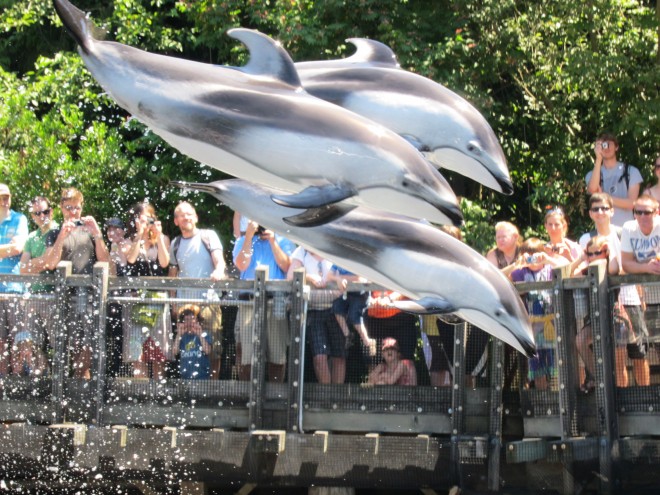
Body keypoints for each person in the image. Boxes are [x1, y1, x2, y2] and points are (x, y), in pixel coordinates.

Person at [576, 192, 648, 388]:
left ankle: (645, 396)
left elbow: (629, 266)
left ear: (612, 211)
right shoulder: (586, 239)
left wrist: (641, 297)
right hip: (601, 302)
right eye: (595, 209)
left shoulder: (623, 233)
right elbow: (582, 270)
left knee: (638, 353)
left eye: (604, 208)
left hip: (629, 298)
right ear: (590, 213)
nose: (600, 212)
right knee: (616, 355)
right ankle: (617, 399)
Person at [42, 187, 110, 379]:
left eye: (77, 208)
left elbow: (106, 263)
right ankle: (72, 391)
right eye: (69, 208)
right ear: (62, 208)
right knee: (69, 349)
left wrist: (97, 233)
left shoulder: (90, 232)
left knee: (89, 346)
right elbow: (50, 263)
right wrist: (62, 236)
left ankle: (83, 389)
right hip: (65, 298)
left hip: (90, 297)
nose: (73, 212)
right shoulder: (54, 233)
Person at [168, 201, 224, 379]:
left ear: (196, 217)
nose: (186, 217)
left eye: (189, 213)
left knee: (213, 347)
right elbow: (172, 274)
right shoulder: (175, 243)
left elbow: (219, 260)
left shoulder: (208, 236)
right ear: (176, 221)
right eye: (182, 215)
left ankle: (213, 389)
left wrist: (219, 270)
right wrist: (173, 303)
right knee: (187, 347)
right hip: (185, 306)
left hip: (208, 302)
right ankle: (189, 388)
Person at [233, 221, 295, 382]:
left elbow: (287, 267)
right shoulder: (242, 240)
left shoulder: (284, 240)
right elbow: (241, 265)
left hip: (276, 302)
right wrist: (248, 238)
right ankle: (247, 397)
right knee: (247, 355)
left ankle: (275, 396)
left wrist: (273, 241)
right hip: (249, 302)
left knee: (277, 354)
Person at [510, 237, 566, 390]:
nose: (532, 260)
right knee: (536, 360)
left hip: (552, 324)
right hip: (532, 326)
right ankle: (542, 394)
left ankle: (556, 393)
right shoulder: (520, 273)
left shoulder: (550, 270)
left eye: (535, 255)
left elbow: (567, 267)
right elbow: (505, 275)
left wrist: (548, 259)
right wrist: (519, 263)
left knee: (555, 359)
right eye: (528, 256)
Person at [123, 204, 171, 380]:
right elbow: (130, 259)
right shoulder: (129, 241)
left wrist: (157, 237)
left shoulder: (162, 239)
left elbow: (165, 263)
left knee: (158, 349)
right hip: (137, 300)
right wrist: (139, 234)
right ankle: (139, 391)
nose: (146, 223)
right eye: (142, 219)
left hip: (157, 299)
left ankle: (159, 390)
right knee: (137, 350)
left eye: (149, 219)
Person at [287, 247, 345, 384]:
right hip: (313, 310)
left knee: (339, 356)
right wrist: (309, 277)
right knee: (320, 356)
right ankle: (325, 396)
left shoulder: (335, 248)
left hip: (336, 310)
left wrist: (339, 279)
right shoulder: (301, 252)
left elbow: (351, 274)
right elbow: (290, 276)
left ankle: (337, 399)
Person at [18, 196, 59, 376]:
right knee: (29, 340)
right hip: (34, 296)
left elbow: (50, 263)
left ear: (51, 211)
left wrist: (37, 263)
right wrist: (40, 262)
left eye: (45, 211)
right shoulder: (31, 237)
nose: (42, 216)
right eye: (37, 213)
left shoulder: (58, 230)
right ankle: (42, 375)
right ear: (33, 216)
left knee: (58, 342)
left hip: (55, 296)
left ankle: (60, 382)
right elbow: (22, 269)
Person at [585, 133, 642, 227]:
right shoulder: (592, 174)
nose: (606, 148)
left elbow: (632, 204)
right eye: (603, 145)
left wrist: (605, 197)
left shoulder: (631, 171)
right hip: (602, 230)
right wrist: (598, 159)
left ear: (616, 147)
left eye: (609, 144)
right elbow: (592, 190)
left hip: (627, 230)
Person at [172, 304, 212, 380]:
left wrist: (200, 334)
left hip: (202, 378)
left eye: (192, 319)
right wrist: (179, 334)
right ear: (183, 322)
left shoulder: (204, 334)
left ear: (197, 320)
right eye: (186, 320)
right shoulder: (181, 337)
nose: (190, 322)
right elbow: (174, 352)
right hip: (185, 378)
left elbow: (207, 351)